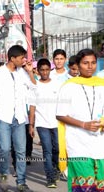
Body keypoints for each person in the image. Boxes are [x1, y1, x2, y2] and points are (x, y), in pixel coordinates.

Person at [56, 49, 104, 191]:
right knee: (84, 187)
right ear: (77, 65)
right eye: (85, 63)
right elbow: (60, 114)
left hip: (100, 145)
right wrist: (83, 124)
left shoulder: (102, 84)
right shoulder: (68, 87)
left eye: (93, 63)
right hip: (78, 145)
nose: (90, 66)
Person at [0, 45, 36, 192]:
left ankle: (21, 182)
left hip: (20, 118)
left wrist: (30, 72)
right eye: (21, 57)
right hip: (4, 117)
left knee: (21, 151)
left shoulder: (22, 72)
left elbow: (35, 88)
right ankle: (4, 174)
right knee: (4, 149)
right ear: (12, 58)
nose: (24, 60)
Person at [28, 59, 61, 188]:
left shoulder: (57, 84)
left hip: (57, 123)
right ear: (38, 71)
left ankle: (55, 167)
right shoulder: (35, 85)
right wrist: (31, 125)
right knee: (47, 150)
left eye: (47, 69)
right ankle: (50, 177)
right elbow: (32, 106)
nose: (45, 72)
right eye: (42, 70)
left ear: (50, 70)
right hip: (42, 124)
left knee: (56, 148)